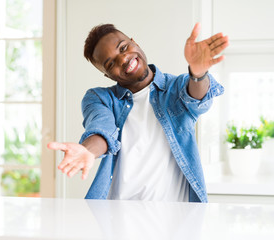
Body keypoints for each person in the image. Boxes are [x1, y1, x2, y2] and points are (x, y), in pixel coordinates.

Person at [48, 23, 229, 202]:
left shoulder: (176, 89)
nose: (123, 59)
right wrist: (87, 151)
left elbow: (198, 99)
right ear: (107, 75)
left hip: (176, 221)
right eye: (111, 63)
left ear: (135, 43)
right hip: (119, 217)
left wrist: (198, 73)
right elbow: (102, 130)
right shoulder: (100, 98)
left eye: (123, 48)